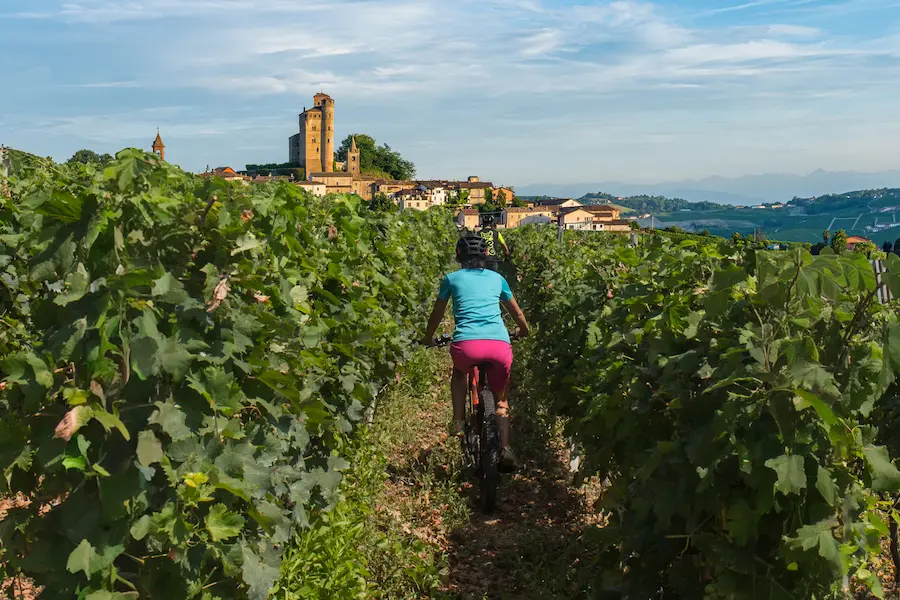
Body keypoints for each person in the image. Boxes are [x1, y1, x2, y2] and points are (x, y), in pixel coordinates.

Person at [421, 232, 530, 472]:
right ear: (486, 255)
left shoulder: (451, 279)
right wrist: (523, 330)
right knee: (501, 402)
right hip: (499, 346)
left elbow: (437, 314)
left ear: (458, 255)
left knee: (459, 374)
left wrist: (428, 338)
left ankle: (458, 421)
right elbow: (517, 313)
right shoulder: (497, 279)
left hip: (466, 346)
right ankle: (506, 449)